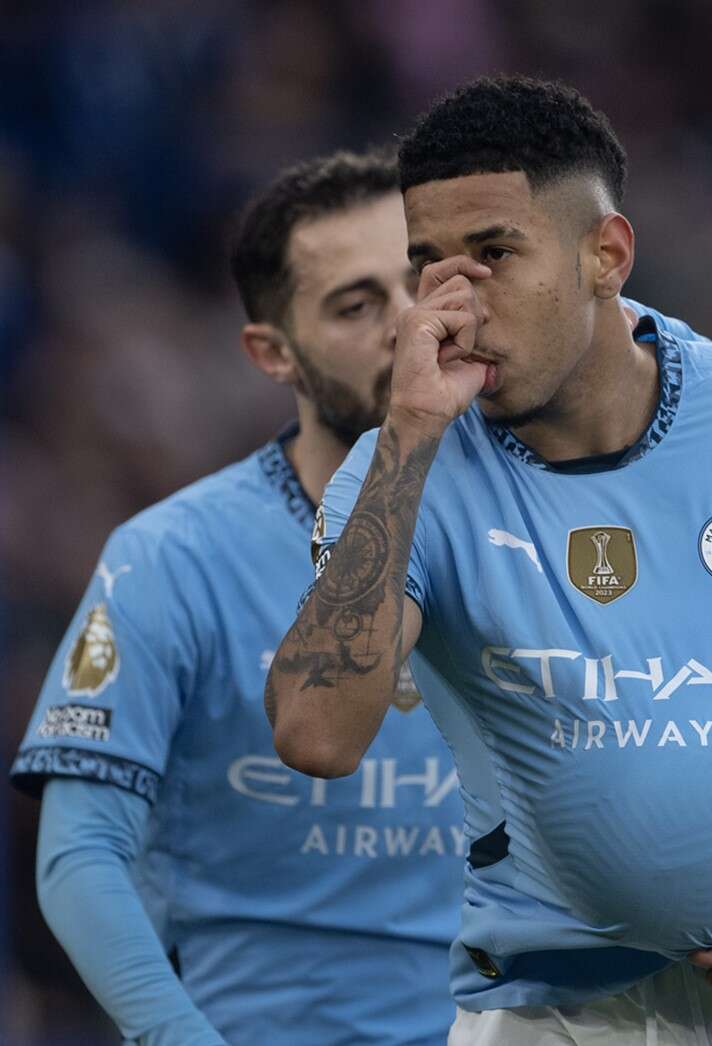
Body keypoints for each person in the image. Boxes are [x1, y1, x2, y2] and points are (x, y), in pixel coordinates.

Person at [265, 76, 712, 1044]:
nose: (454, 304)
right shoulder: (404, 470)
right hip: (544, 1015)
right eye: (430, 266)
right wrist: (408, 436)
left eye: (494, 254)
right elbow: (314, 734)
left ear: (606, 255)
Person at [10, 150, 466, 1045]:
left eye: (418, 285)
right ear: (273, 353)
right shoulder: (172, 557)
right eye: (357, 304)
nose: (407, 328)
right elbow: (78, 854)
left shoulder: (535, 530)